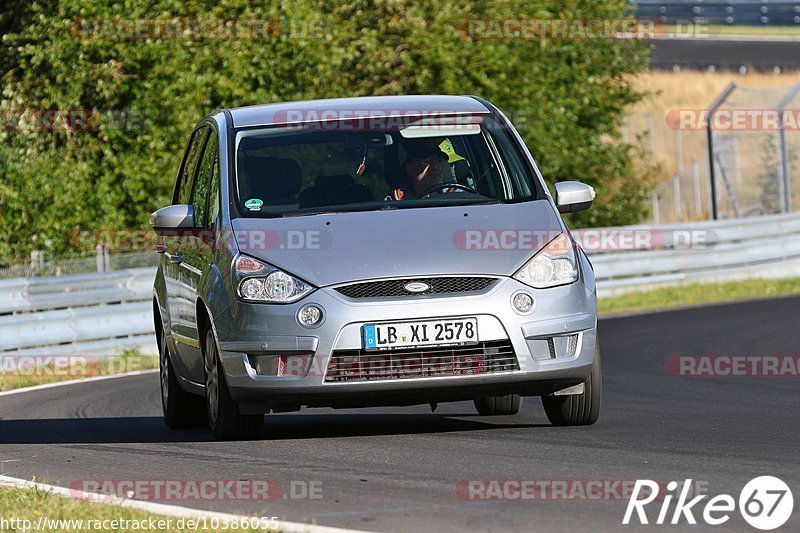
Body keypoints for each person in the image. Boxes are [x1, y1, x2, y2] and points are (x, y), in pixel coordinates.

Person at [388, 139, 454, 200]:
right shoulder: (398, 202)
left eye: (438, 161)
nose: (435, 167)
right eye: (426, 161)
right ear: (409, 168)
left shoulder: (456, 196)